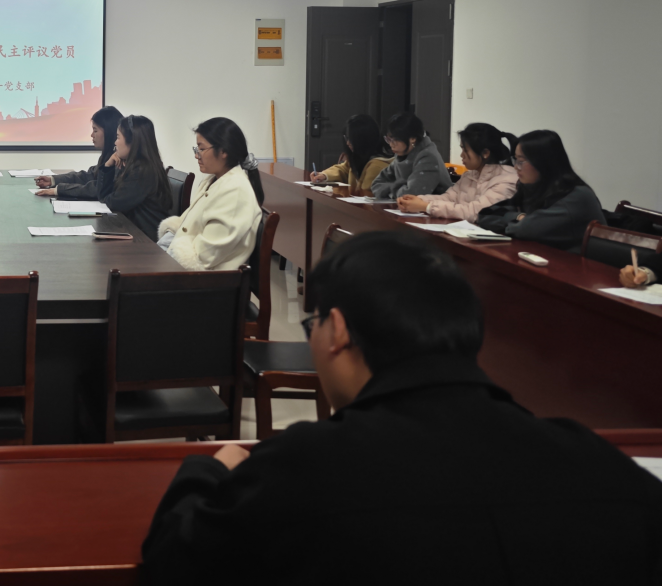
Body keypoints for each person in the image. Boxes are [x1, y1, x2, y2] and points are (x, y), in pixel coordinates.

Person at [141, 232, 662, 584]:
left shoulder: (305, 467)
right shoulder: (601, 466)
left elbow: (174, 564)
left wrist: (207, 470)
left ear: (337, 331)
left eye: (312, 325)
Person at [156, 117, 263, 272]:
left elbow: (205, 255)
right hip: (191, 270)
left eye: (201, 149)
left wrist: (167, 256)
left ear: (224, 151)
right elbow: (185, 224)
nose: (196, 155)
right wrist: (164, 248)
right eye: (196, 149)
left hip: (210, 280)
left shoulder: (235, 190)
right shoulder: (212, 181)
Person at [476, 129, 604, 251]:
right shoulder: (533, 188)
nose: (516, 167)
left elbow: (525, 229)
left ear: (543, 162)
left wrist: (516, 220)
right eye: (515, 159)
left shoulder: (577, 196)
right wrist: (519, 216)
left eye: (521, 161)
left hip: (580, 264)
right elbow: (485, 215)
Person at [397, 122, 519, 220]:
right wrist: (417, 200)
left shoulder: (507, 180)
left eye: (466, 150)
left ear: (485, 153)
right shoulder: (469, 175)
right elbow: (449, 198)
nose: (461, 155)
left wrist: (427, 206)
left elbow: (477, 212)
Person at [98, 115, 173, 241]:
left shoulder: (143, 171)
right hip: (137, 233)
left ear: (132, 141)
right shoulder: (135, 166)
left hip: (148, 241)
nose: (115, 143)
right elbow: (105, 198)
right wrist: (108, 166)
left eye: (118, 137)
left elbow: (112, 203)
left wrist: (110, 170)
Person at [34, 105, 123, 199]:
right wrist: (53, 180)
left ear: (109, 132)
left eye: (95, 130)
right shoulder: (108, 155)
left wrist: (59, 190)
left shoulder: (119, 159)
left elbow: (97, 189)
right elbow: (88, 176)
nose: (92, 135)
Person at [370, 110, 452, 199]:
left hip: (434, 207)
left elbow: (411, 195)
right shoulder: (402, 155)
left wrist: (390, 190)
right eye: (388, 139)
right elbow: (376, 184)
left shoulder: (428, 157)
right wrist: (399, 188)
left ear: (413, 138)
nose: (391, 144)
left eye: (395, 139)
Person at [310, 113, 391, 195]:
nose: (348, 143)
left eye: (351, 139)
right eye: (347, 138)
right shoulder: (359, 157)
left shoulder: (377, 165)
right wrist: (324, 175)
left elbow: (365, 195)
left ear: (363, 140)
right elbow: (343, 169)